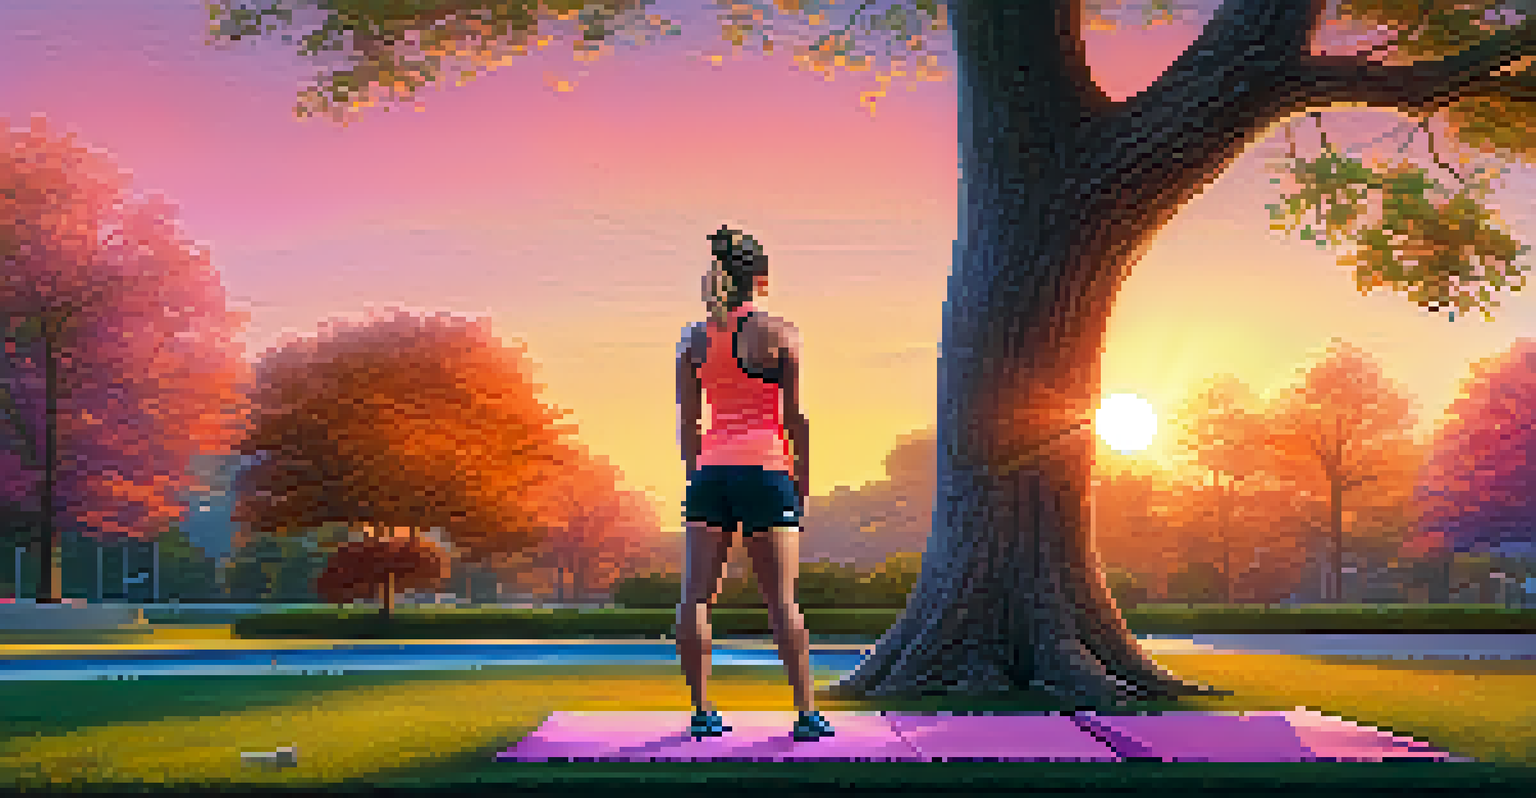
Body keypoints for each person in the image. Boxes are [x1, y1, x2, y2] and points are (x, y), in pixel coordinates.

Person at [674, 224, 834, 743]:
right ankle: (807, 714)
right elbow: (796, 418)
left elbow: (688, 424)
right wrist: (802, 481)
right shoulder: (781, 334)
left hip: (711, 474)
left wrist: (695, 475)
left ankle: (702, 712)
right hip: (767, 474)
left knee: (696, 598)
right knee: (781, 602)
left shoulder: (692, 339)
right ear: (759, 280)